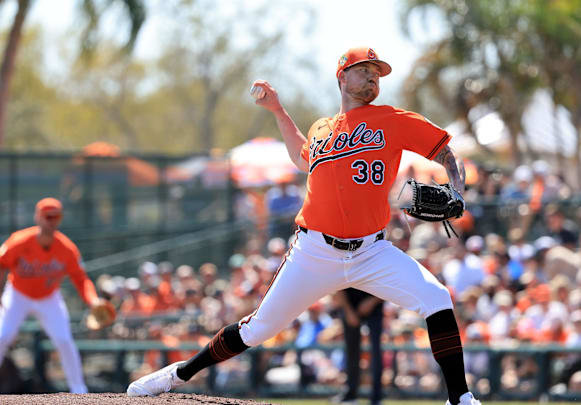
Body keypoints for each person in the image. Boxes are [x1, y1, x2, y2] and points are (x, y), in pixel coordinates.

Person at [127, 46, 481, 405]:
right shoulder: (323, 128)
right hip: (314, 251)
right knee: (256, 330)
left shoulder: (393, 119)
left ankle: (460, 398)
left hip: (372, 251)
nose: (373, 76)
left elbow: (446, 153)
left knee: (437, 298)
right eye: (364, 69)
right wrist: (278, 110)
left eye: (378, 71)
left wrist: (458, 191)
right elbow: (301, 157)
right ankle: (177, 374)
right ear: (342, 76)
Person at [0, 198, 108, 393]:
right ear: (38, 217)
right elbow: (1, 264)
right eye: (47, 216)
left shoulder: (66, 248)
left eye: (55, 217)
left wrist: (93, 300)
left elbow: (80, 278)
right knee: (2, 336)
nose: (51, 221)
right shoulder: (19, 240)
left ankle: (79, 391)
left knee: (64, 340)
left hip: (49, 298)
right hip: (18, 295)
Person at [334, 288, 384, 405]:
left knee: (375, 352)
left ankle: (376, 397)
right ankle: (350, 394)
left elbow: (389, 284)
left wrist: (372, 301)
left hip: (374, 302)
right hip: (349, 304)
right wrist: (348, 311)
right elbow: (338, 287)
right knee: (351, 351)